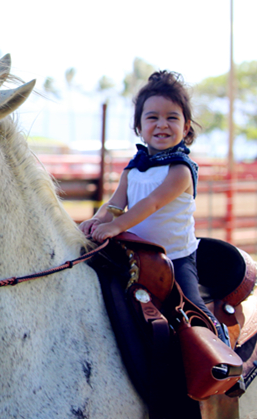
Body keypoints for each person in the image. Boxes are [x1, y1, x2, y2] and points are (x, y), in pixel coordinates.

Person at [79, 71, 226, 339]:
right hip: (136, 255)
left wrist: (116, 227)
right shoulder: (133, 169)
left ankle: (219, 351)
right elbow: (114, 203)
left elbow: (152, 203)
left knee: (191, 312)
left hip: (175, 257)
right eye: (152, 117)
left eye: (172, 117)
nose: (162, 124)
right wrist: (99, 220)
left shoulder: (180, 170)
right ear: (139, 126)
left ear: (186, 125)